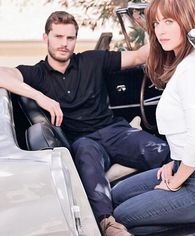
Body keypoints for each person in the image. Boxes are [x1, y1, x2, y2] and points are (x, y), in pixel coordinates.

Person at [0, 11, 170, 236]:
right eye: (58, 37)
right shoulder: (36, 74)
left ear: (75, 40)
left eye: (70, 38)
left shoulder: (93, 59)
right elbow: (2, 74)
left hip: (114, 131)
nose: (64, 44)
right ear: (46, 37)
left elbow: (139, 57)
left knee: (162, 150)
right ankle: (108, 224)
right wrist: (40, 96)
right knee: (86, 159)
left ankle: (186, 198)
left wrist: (156, 29)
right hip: (83, 141)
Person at [111, 0, 195, 235]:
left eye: (169, 21)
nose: (160, 31)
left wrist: (175, 182)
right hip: (190, 166)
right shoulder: (191, 61)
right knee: (117, 194)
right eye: (157, 23)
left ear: (186, 21)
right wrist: (175, 162)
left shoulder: (191, 68)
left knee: (122, 217)